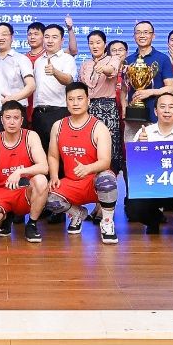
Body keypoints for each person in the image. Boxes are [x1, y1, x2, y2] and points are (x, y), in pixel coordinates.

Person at [46, 81, 120, 243]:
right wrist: (54, 176)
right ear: (66, 102)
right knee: (46, 197)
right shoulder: (58, 126)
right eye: (71, 99)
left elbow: (105, 161)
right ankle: (77, 213)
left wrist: (88, 168)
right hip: (71, 183)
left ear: (88, 100)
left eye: (80, 98)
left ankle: (107, 222)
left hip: (93, 182)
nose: (75, 103)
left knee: (108, 178)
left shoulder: (99, 127)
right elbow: (52, 156)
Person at [123, 92, 173, 240]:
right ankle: (154, 220)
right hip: (151, 189)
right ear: (155, 111)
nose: (166, 111)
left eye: (171, 107)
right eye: (162, 107)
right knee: (133, 209)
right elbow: (134, 166)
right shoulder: (144, 133)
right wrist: (139, 145)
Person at [0, 100, 50, 241]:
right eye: (8, 118)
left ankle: (32, 224)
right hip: (1, 192)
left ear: (22, 120)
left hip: (24, 192)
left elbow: (44, 167)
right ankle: (6, 216)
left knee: (41, 180)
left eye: (16, 118)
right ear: (2, 120)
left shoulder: (31, 136)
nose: (12, 122)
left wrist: (19, 172)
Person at [80, 30, 126, 172]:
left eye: (98, 42)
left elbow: (112, 70)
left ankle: (112, 177)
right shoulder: (85, 64)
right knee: (89, 143)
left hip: (107, 108)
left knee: (110, 145)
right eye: (91, 43)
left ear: (105, 44)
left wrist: (103, 68)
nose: (95, 46)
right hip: (88, 108)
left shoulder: (113, 59)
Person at [0, 22, 35, 139]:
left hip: (15, 114)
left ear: (12, 37)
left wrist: (11, 99)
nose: (1, 38)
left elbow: (31, 86)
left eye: (4, 34)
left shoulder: (22, 59)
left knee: (18, 148)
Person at [30, 22, 78, 146]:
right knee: (40, 150)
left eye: (54, 37)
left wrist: (55, 72)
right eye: (47, 37)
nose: (50, 40)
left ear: (62, 40)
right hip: (39, 114)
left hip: (59, 112)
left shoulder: (67, 59)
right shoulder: (38, 61)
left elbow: (69, 80)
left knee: (59, 149)